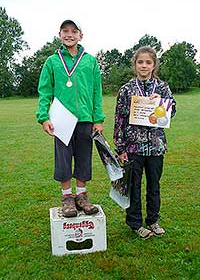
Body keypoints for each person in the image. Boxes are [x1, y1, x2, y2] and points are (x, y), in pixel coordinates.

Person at [36, 19, 105, 217]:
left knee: (84, 159)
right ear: (59, 34)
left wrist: (98, 119)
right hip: (61, 119)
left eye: (74, 31)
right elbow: (45, 91)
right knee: (64, 160)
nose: (69, 34)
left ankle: (82, 197)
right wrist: (44, 117)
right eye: (65, 31)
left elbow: (96, 92)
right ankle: (67, 198)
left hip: (85, 119)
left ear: (80, 35)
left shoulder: (90, 61)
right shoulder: (52, 61)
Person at [113, 46, 176, 239]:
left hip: (156, 146)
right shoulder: (127, 89)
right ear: (135, 64)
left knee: (154, 185)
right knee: (133, 186)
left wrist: (162, 102)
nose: (144, 65)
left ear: (154, 65)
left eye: (148, 62)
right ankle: (135, 223)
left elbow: (171, 111)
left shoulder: (162, 87)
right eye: (140, 62)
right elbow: (120, 119)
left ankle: (153, 221)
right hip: (133, 146)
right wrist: (120, 147)